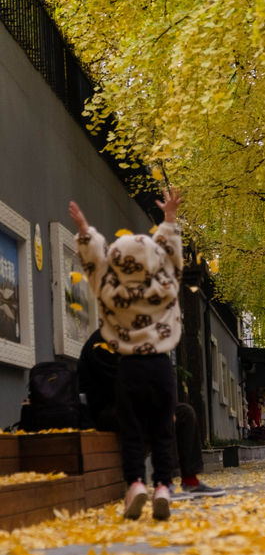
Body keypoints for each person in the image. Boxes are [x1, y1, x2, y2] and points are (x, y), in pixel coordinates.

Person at [69, 188, 184, 521]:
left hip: (129, 368)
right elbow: (172, 256)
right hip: (161, 367)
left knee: (132, 430)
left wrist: (85, 232)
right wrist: (169, 220)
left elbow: (94, 266)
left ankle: (134, 483)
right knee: (163, 429)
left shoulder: (110, 290)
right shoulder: (165, 285)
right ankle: (163, 485)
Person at [77, 329, 223, 498]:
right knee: (160, 415)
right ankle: (164, 483)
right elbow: (117, 386)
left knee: (185, 413)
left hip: (135, 404)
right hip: (107, 409)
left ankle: (190, 481)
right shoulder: (101, 342)